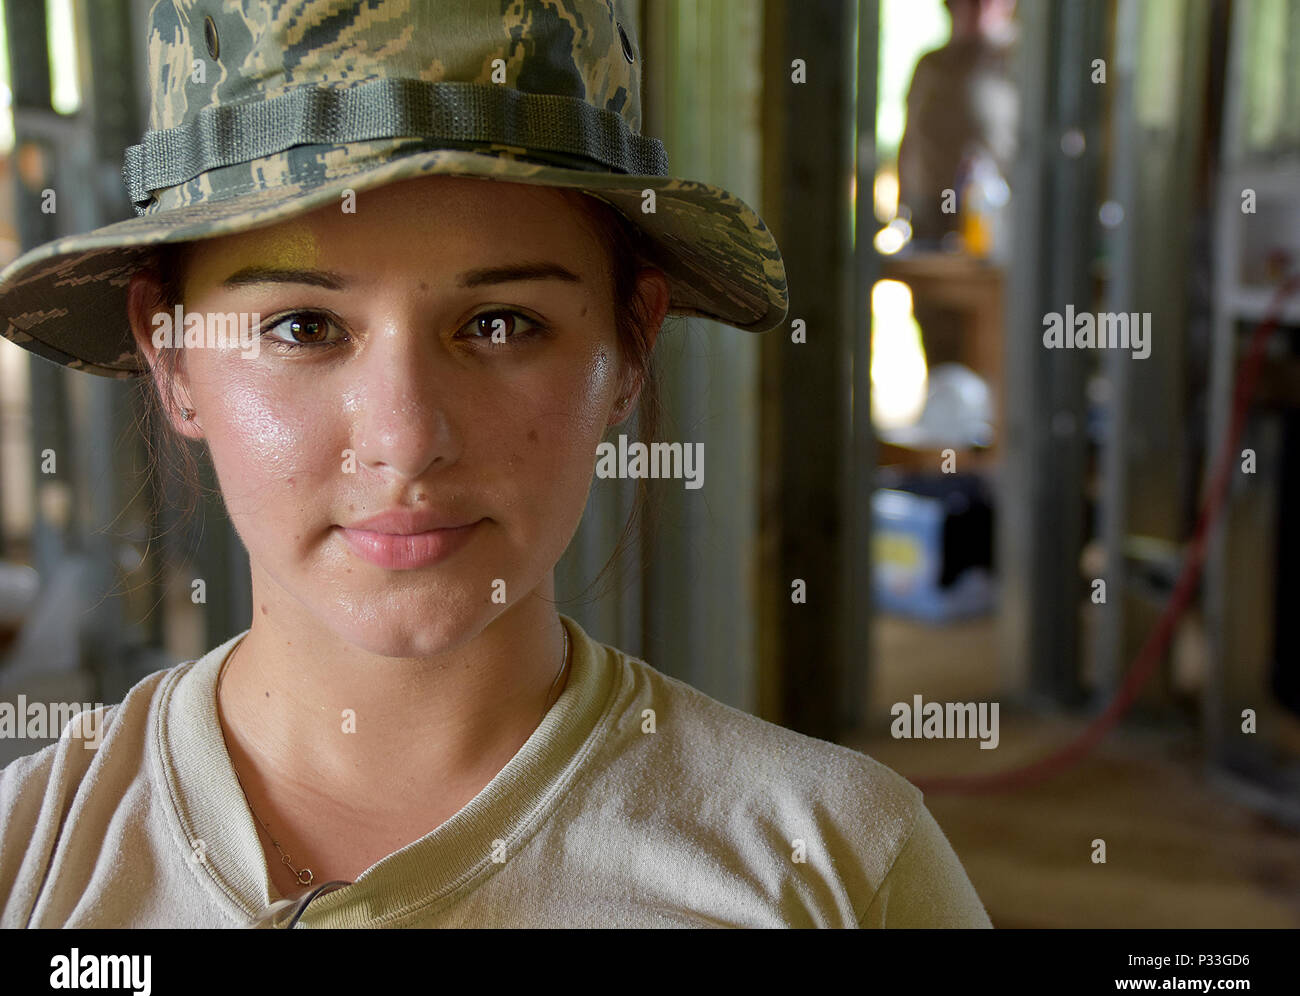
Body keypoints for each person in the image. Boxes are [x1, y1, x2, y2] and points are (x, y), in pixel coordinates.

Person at [0, 0, 991, 928]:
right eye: (303, 326)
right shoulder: (26, 860)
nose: (406, 436)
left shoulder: (838, 868)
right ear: (170, 353)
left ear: (629, 350)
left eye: (499, 322)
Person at [897, 0, 1019, 246]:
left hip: (995, 219)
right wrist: (902, 208)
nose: (979, 9)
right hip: (929, 217)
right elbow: (909, 140)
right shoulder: (930, 66)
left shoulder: (1017, 64)